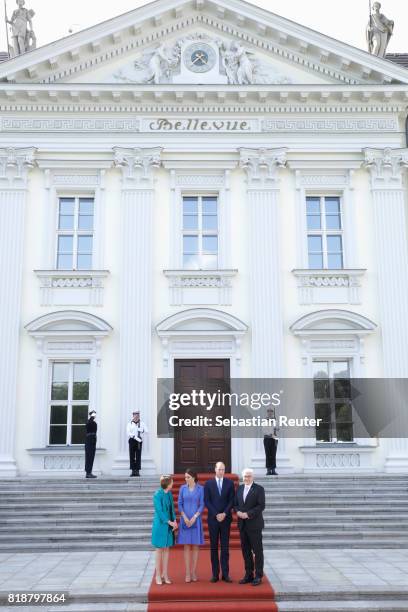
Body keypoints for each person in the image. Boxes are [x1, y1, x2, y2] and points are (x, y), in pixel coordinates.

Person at [203, 461, 235, 583]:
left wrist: (224, 513)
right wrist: (216, 514)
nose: (221, 471)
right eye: (219, 469)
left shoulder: (230, 483)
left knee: (225, 547)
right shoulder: (208, 484)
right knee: (214, 547)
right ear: (215, 470)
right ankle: (215, 574)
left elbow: (232, 500)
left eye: (223, 469)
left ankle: (225, 574)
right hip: (213, 520)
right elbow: (207, 501)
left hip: (226, 519)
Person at [234, 468, 265, 587]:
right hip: (242, 525)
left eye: (249, 476)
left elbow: (261, 505)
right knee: (246, 551)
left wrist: (248, 514)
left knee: (257, 551)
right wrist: (237, 512)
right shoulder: (240, 488)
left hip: (254, 525)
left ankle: (258, 575)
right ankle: (248, 574)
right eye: (245, 476)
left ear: (253, 477)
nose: (247, 478)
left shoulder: (259, 489)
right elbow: (235, 503)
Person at [178, 468, 205, 582]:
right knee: (186, 546)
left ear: (193, 477)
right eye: (185, 477)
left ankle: (194, 571)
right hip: (184, 519)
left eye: (188, 477)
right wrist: (184, 517)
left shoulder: (200, 489)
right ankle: (187, 573)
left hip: (195, 520)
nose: (186, 479)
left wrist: (194, 517)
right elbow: (180, 503)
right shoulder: (182, 488)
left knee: (195, 546)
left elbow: (202, 504)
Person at [151, 475, 178, 585]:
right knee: (159, 550)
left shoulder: (169, 494)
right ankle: (158, 575)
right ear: (167, 483)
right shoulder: (157, 494)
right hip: (160, 525)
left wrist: (175, 521)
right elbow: (159, 511)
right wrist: (169, 522)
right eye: (172, 482)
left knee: (167, 549)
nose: (173, 484)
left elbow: (172, 508)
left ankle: (165, 574)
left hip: (169, 525)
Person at [127, 411, 148, 476]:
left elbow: (147, 431)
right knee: (132, 455)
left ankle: (137, 471)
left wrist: (141, 430)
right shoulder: (129, 424)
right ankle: (133, 471)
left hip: (139, 441)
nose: (136, 416)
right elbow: (128, 433)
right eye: (135, 415)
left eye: (137, 415)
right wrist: (134, 437)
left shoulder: (142, 423)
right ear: (133, 416)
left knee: (138, 456)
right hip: (132, 440)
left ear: (139, 416)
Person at [263, 408, 279, 475]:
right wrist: (270, 433)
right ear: (267, 412)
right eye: (269, 411)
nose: (270, 413)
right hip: (267, 438)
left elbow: (278, 428)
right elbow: (264, 430)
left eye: (271, 411)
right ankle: (268, 470)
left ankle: (273, 469)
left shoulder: (275, 420)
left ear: (272, 413)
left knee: (273, 454)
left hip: (274, 439)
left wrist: (276, 427)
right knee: (268, 454)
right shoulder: (264, 420)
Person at [84, 410, 97, 479]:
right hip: (89, 441)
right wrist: (91, 418)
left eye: (94, 415)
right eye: (93, 415)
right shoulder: (89, 422)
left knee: (91, 457)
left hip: (92, 441)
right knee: (89, 457)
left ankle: (89, 472)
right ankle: (88, 472)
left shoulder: (94, 423)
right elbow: (88, 427)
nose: (94, 416)